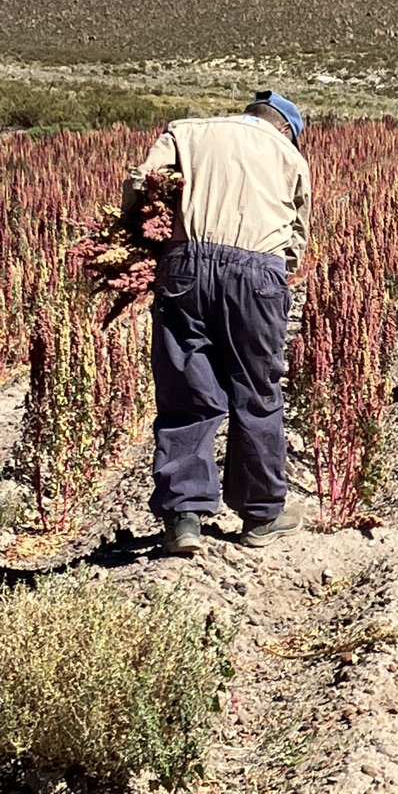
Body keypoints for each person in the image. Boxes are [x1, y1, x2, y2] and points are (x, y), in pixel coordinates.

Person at [124, 90, 311, 555]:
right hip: (257, 272)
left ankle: (184, 517)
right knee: (258, 392)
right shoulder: (290, 156)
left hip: (184, 265)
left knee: (186, 392)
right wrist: (274, 271)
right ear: (285, 128)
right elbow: (296, 235)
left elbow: (142, 184)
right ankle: (261, 517)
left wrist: (136, 236)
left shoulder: (185, 131)